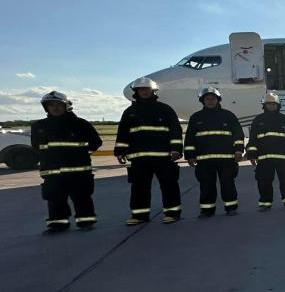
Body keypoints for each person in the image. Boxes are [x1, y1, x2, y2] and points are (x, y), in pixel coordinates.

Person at [115, 77, 183, 225]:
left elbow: (175, 131)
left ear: (153, 91)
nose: (144, 92)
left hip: (163, 157)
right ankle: (139, 215)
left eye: (147, 89)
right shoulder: (130, 112)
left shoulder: (165, 110)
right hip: (139, 158)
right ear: (136, 92)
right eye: (141, 89)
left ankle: (172, 213)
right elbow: (123, 134)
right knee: (139, 188)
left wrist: (176, 149)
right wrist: (120, 151)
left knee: (169, 185)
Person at [32, 91, 102, 232]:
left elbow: (96, 142)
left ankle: (86, 222)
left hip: (78, 171)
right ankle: (58, 224)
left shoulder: (80, 124)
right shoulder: (39, 126)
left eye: (59, 104)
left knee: (82, 197)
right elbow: (36, 146)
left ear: (66, 106)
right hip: (52, 171)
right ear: (46, 107)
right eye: (51, 105)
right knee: (54, 199)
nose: (55, 107)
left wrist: (79, 153)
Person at [184, 87, 244, 217]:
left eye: (213, 98)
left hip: (226, 159)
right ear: (203, 100)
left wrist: (239, 150)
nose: (210, 101)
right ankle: (207, 210)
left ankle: (231, 208)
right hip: (204, 160)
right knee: (206, 186)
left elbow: (238, 134)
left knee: (228, 184)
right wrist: (190, 156)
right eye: (207, 99)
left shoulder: (228, 115)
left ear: (218, 100)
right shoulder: (196, 117)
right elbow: (189, 138)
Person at [246, 92, 285, 210]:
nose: (271, 106)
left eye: (273, 104)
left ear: (278, 105)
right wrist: (251, 154)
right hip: (264, 158)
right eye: (269, 104)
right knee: (263, 181)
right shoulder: (258, 120)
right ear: (264, 105)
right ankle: (265, 203)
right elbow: (253, 139)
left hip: (283, 157)